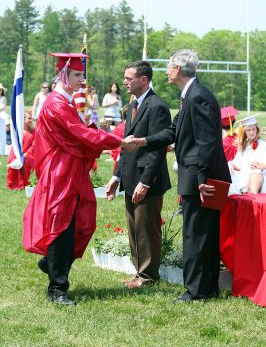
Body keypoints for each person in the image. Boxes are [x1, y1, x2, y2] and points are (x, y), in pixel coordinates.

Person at [23, 52, 133, 306]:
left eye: (82, 75)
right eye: (77, 75)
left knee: (81, 223)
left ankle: (51, 263)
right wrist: (117, 141)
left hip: (70, 171)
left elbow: (80, 134)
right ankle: (57, 288)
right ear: (63, 75)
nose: (81, 80)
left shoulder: (65, 102)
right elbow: (79, 135)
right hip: (60, 173)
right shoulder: (56, 104)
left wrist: (102, 135)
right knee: (62, 227)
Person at [130, 49, 231, 301]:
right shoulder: (190, 96)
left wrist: (201, 179)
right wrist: (142, 141)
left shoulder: (198, 97)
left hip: (201, 180)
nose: (165, 71)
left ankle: (196, 291)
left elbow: (207, 143)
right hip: (198, 177)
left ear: (177, 69)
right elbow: (172, 132)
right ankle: (207, 288)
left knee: (196, 235)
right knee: (203, 233)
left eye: (168, 67)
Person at [106, 60, 171, 288]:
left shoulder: (157, 106)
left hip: (147, 181)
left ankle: (148, 277)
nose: (124, 82)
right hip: (130, 178)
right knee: (135, 228)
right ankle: (139, 273)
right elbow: (125, 146)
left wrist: (145, 182)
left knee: (146, 229)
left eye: (129, 78)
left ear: (143, 80)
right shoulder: (134, 106)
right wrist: (116, 177)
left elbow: (157, 149)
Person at [228, 114, 266, 195]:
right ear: (245, 131)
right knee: (228, 168)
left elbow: (264, 164)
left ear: (257, 130)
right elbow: (237, 162)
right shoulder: (244, 144)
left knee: (256, 172)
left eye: (253, 129)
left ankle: (250, 197)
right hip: (243, 172)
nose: (251, 132)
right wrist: (233, 165)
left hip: (256, 174)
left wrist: (261, 165)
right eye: (249, 130)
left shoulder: (262, 144)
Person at [6, 110, 35, 190]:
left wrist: (26, 154)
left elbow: (34, 146)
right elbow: (14, 144)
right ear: (24, 119)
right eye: (29, 118)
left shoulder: (33, 131)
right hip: (16, 152)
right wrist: (17, 155)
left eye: (31, 118)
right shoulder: (17, 131)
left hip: (30, 154)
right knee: (13, 161)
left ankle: (25, 183)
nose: (31, 120)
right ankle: (13, 185)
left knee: (24, 161)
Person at [0, 83, 8, 155]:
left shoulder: (3, 98)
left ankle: (1, 151)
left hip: (1, 117)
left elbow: (3, 107)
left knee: (2, 135)